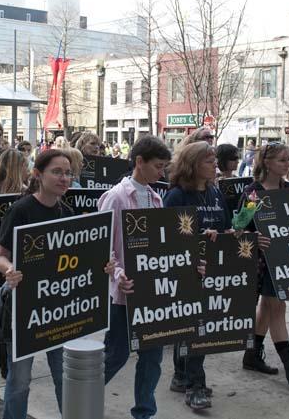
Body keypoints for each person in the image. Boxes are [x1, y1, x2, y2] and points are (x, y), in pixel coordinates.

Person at [0, 150, 75, 419]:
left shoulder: (68, 212)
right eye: (57, 172)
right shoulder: (21, 210)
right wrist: (10, 271)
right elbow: (0, 256)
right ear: (38, 175)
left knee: (65, 378)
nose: (64, 178)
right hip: (23, 309)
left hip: (58, 309)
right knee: (19, 382)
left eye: (68, 172)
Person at [98, 135, 172, 419]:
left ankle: (144, 412)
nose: (161, 173)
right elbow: (102, 246)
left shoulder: (155, 198)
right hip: (122, 294)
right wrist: (118, 274)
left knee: (152, 356)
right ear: (139, 162)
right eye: (158, 166)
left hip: (151, 291)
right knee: (115, 355)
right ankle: (80, 400)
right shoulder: (116, 197)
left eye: (164, 167)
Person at [163, 141, 229, 410]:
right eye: (208, 161)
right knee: (195, 327)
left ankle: (181, 375)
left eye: (215, 161)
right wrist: (198, 238)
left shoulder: (214, 192)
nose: (215, 165)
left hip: (212, 269)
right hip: (186, 270)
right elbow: (167, 235)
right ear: (193, 165)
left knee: (191, 325)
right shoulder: (177, 195)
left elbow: (224, 224)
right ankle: (195, 386)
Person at [239, 142, 289, 384]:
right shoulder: (253, 193)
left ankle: (252, 354)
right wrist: (253, 237)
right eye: (281, 160)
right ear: (267, 163)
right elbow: (238, 227)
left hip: (286, 258)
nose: (286, 164)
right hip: (262, 262)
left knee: (269, 308)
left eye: (287, 159)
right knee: (277, 307)